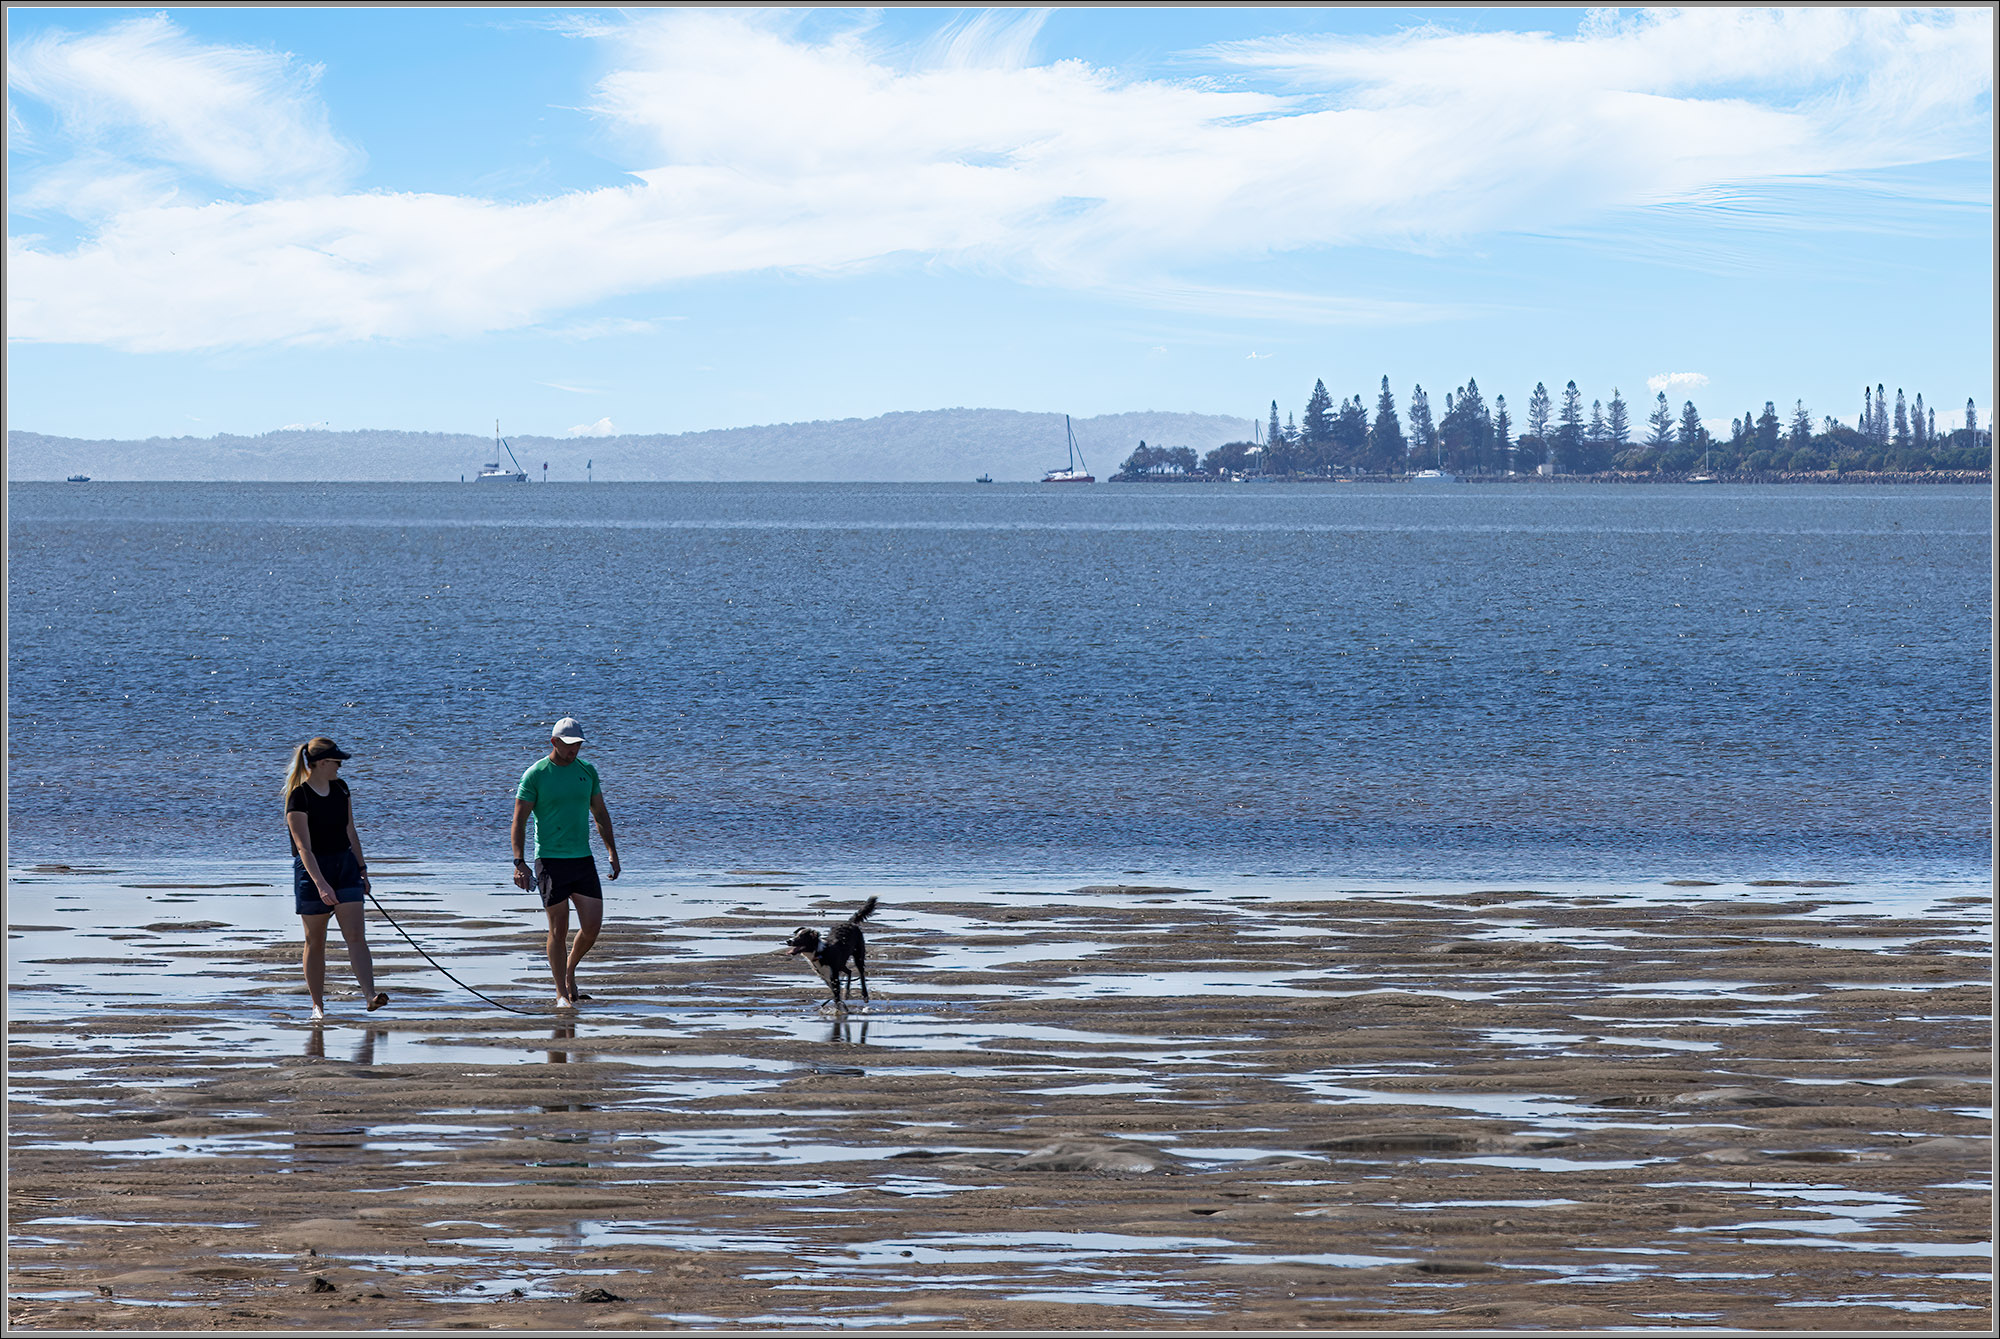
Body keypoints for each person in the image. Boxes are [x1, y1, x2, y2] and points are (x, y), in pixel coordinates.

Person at [511, 716, 620, 1009]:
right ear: (554, 742)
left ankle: (570, 970)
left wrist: (612, 852)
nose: (574, 751)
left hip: (582, 859)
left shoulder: (587, 771)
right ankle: (561, 993)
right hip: (549, 861)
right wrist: (519, 862)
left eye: (578, 746)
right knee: (558, 928)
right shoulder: (536, 774)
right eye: (569, 745)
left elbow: (600, 814)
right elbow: (519, 821)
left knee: (592, 927)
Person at [284, 736, 388, 1020]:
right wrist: (320, 883)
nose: (340, 767)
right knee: (314, 940)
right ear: (319, 763)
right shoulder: (299, 796)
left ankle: (370, 996)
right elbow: (303, 847)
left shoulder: (341, 789)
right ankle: (317, 1005)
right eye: (336, 762)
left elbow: (350, 831)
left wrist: (362, 869)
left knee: (356, 936)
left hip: (346, 867)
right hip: (312, 871)